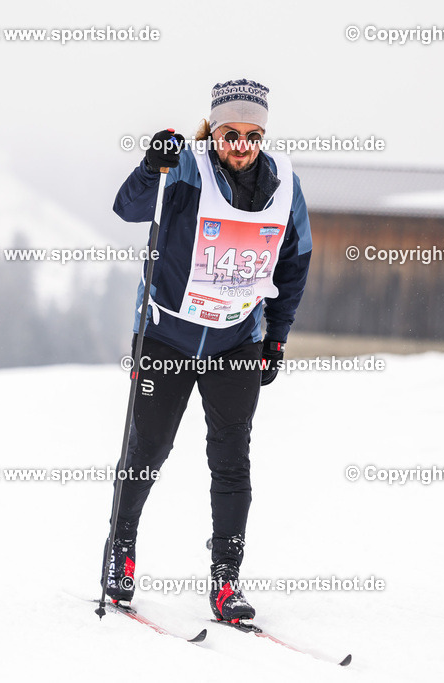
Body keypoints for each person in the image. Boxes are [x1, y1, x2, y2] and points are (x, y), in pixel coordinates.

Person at [104, 79, 312, 623]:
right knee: (147, 450)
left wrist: (277, 335)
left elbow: (294, 265)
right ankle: (119, 555)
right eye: (230, 133)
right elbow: (128, 208)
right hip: (166, 337)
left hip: (235, 341)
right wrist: (152, 166)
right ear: (214, 129)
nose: (241, 144)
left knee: (231, 461)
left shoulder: (286, 185)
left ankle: (226, 582)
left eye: (252, 135)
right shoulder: (186, 168)